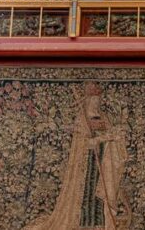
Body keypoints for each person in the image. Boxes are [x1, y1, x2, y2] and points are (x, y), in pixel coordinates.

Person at [26, 83, 128, 230]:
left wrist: (106, 138)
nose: (96, 102)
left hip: (102, 161)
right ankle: (83, 224)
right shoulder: (82, 118)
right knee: (85, 191)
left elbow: (110, 134)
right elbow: (80, 142)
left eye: (98, 99)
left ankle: (99, 224)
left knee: (100, 193)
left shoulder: (104, 117)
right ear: (88, 100)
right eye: (94, 99)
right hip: (87, 163)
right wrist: (91, 141)